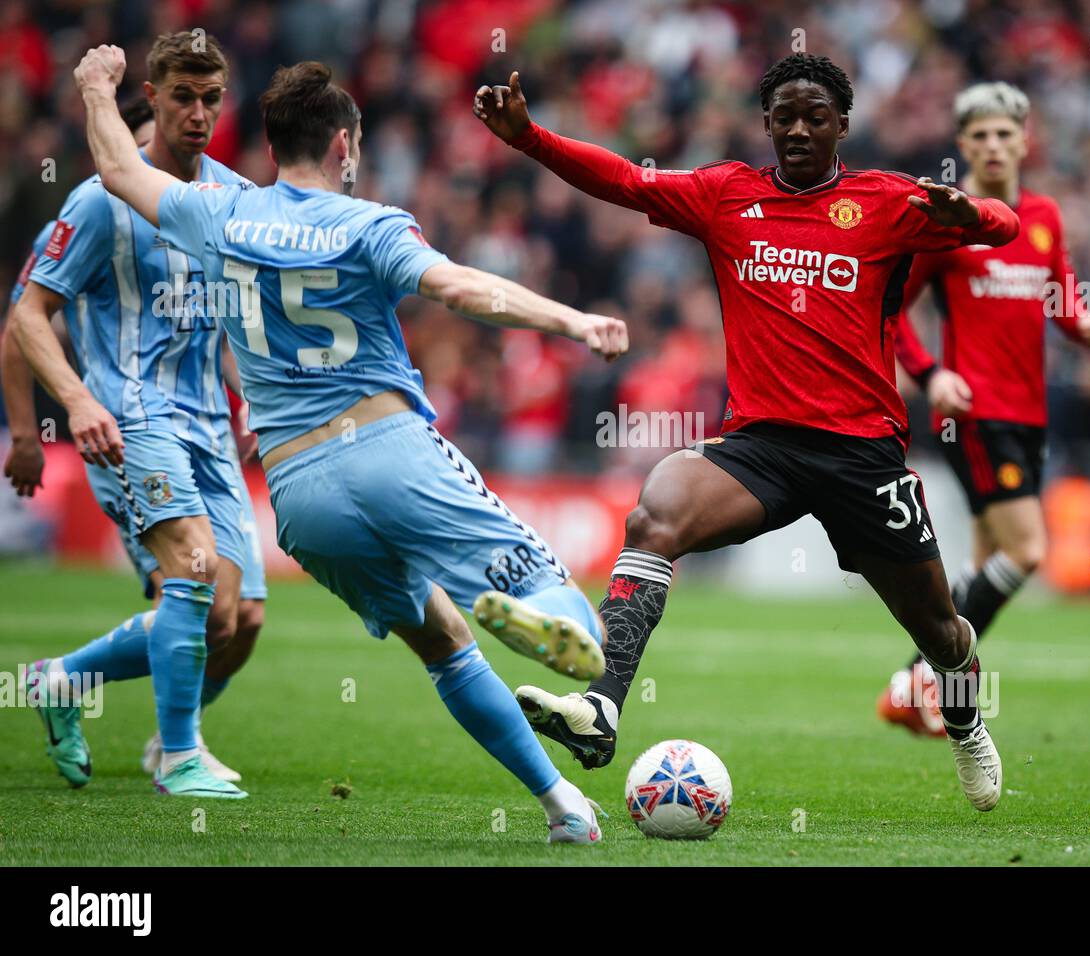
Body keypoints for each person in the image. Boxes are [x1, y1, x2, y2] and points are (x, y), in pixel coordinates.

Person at [72, 43, 630, 841]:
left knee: (443, 642)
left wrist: (97, 88)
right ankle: (558, 632)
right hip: (386, 448)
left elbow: (119, 169)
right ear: (345, 144)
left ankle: (562, 806)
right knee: (562, 599)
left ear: (272, 146)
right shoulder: (369, 222)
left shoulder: (216, 212)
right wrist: (571, 320)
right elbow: (460, 287)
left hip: (299, 495)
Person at [475, 54, 1019, 811]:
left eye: (815, 118)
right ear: (765, 123)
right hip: (761, 446)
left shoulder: (887, 202)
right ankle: (601, 706)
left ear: (842, 126)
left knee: (944, 634)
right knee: (654, 516)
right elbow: (626, 181)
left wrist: (974, 217)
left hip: (862, 453)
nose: (798, 130)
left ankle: (964, 722)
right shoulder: (725, 194)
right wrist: (530, 138)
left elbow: (1006, 225)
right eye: (784, 117)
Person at [8, 36, 269, 798]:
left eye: (211, 98)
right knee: (192, 570)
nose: (198, 114)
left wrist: (252, 393)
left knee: (240, 618)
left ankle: (65, 681)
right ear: (151, 97)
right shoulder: (99, 202)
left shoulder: (231, 196)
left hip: (209, 428)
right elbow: (26, 316)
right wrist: (69, 405)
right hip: (131, 418)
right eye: (183, 96)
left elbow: (227, 316)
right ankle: (181, 756)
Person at [877, 82, 1090, 737]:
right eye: (980, 136)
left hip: (1030, 412)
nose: (993, 146)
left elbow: (1060, 295)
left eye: (1004, 134)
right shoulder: (951, 220)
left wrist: (1084, 323)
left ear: (1025, 141)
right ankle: (913, 679)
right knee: (1028, 550)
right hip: (974, 413)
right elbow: (893, 311)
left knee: (986, 564)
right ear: (963, 144)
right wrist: (932, 375)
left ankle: (929, 692)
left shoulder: (1045, 216)